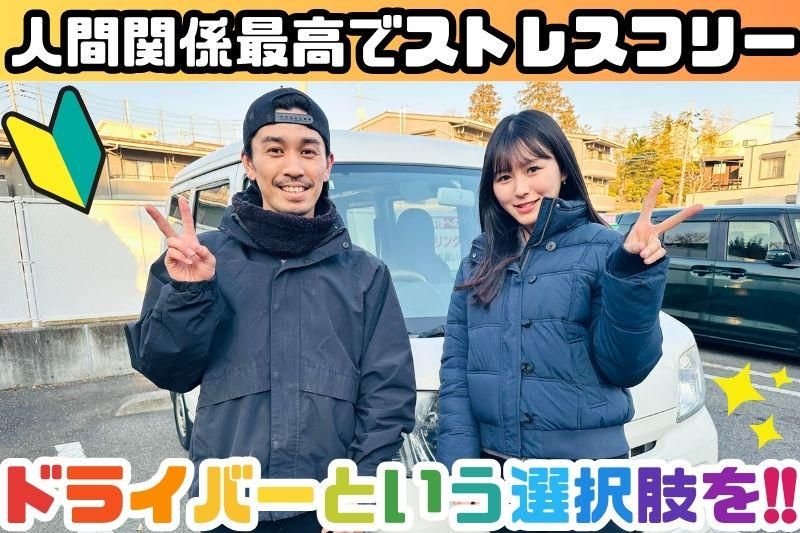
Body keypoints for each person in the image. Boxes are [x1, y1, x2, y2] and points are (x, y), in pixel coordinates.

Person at [125, 87, 417, 532]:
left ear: (327, 164)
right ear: (248, 162)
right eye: (275, 150)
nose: (294, 167)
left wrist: (360, 490)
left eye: (308, 151)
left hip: (326, 507)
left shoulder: (365, 274)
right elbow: (168, 371)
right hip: (229, 504)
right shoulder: (202, 260)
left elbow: (388, 395)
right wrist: (188, 294)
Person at [436, 110, 702, 531]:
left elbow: (626, 367)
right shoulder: (478, 258)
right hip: (498, 475)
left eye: (533, 169)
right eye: (504, 176)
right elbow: (456, 371)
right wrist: (459, 469)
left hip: (587, 477)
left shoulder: (605, 249)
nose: (520, 189)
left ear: (562, 169)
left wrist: (633, 276)